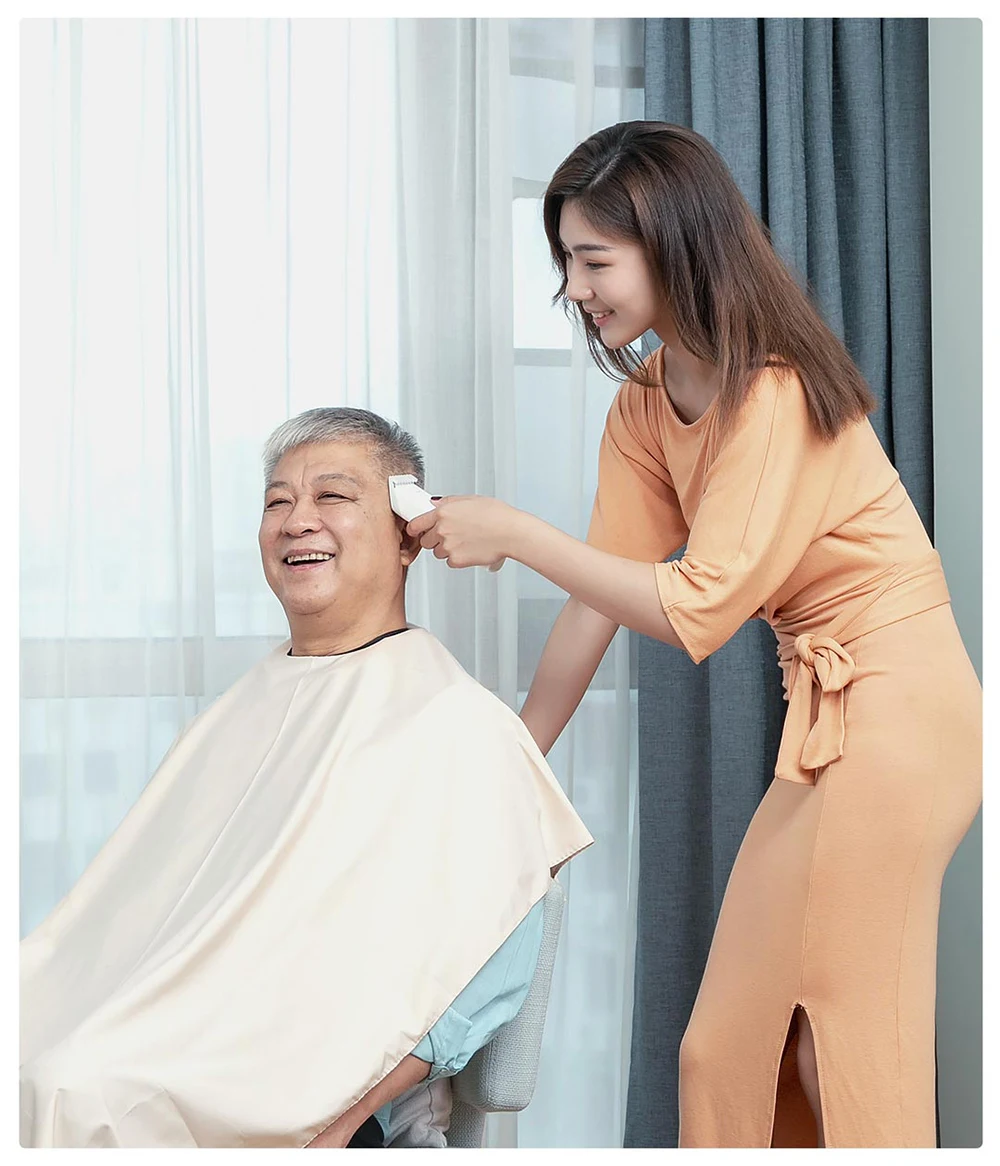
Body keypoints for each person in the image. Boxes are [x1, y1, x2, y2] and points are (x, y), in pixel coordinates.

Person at [405, 121, 982, 1148]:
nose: (575, 288)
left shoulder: (776, 387)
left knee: (842, 1042)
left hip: (901, 712)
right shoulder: (645, 405)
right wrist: (519, 756)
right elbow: (599, 597)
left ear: (673, 239)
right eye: (566, 262)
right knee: (724, 1051)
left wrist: (518, 534)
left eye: (594, 260)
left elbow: (696, 607)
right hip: (828, 721)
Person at [19, 407, 593, 1149]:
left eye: (332, 496)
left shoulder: (454, 721)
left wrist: (349, 1119)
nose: (297, 521)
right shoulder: (240, 713)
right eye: (278, 502)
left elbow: (495, 964)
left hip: (311, 1098)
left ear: (408, 534)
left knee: (72, 1088)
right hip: (174, 1039)